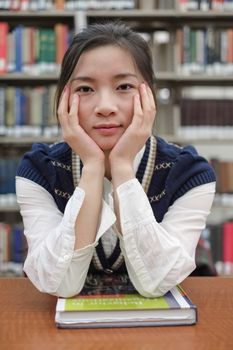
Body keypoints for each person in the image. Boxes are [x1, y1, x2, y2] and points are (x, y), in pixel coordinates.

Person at [16, 21, 216, 298]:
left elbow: (155, 283)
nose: (105, 107)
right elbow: (60, 284)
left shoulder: (190, 174)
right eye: (85, 89)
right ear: (63, 98)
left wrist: (122, 167)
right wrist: (93, 167)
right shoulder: (38, 170)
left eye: (123, 86)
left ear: (149, 96)